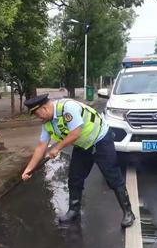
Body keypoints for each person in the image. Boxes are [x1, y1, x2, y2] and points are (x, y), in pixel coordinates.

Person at [22, 93, 135, 228]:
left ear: (44, 108)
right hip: (83, 146)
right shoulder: (47, 124)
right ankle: (73, 211)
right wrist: (28, 169)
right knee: (74, 177)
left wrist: (57, 148)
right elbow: (41, 147)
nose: (38, 117)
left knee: (113, 176)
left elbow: (76, 132)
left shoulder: (67, 108)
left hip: (101, 139)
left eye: (37, 114)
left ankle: (128, 213)